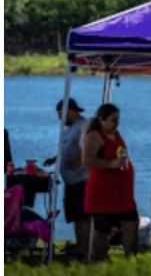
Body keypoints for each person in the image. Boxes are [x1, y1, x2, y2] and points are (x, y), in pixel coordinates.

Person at [81, 104, 138, 260]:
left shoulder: (117, 134)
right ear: (101, 120)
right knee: (102, 229)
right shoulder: (95, 136)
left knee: (131, 224)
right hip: (103, 194)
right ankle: (99, 261)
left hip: (122, 195)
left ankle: (131, 259)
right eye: (113, 120)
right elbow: (86, 159)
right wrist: (110, 164)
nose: (116, 123)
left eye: (118, 119)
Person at [43, 99, 91, 259]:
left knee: (83, 217)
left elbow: (89, 149)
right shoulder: (69, 129)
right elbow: (68, 148)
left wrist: (76, 159)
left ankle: (85, 250)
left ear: (70, 110)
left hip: (82, 179)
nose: (59, 118)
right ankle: (79, 247)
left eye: (60, 114)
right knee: (76, 217)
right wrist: (55, 158)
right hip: (70, 182)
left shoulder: (84, 125)